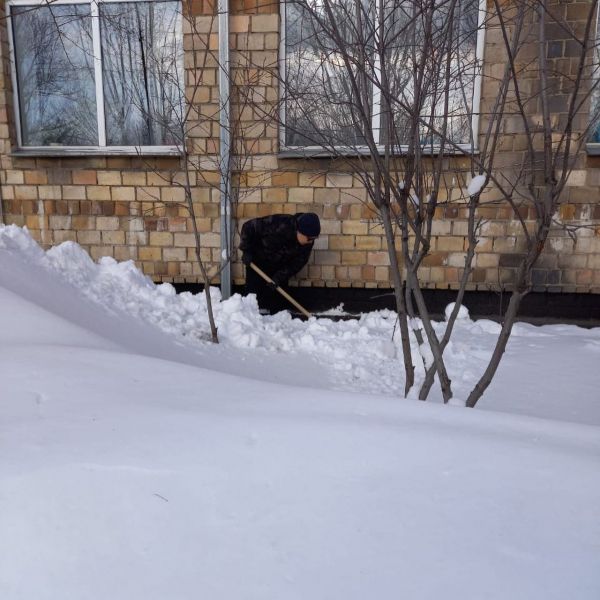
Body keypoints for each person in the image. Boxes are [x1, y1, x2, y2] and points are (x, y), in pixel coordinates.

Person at [239, 212, 321, 312]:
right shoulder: (280, 224)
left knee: (277, 305)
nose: (311, 242)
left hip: (279, 267)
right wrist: (246, 250)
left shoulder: (307, 243)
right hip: (258, 262)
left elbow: (297, 263)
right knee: (252, 299)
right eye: (309, 238)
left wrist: (279, 277)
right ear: (300, 231)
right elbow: (249, 227)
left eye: (314, 239)